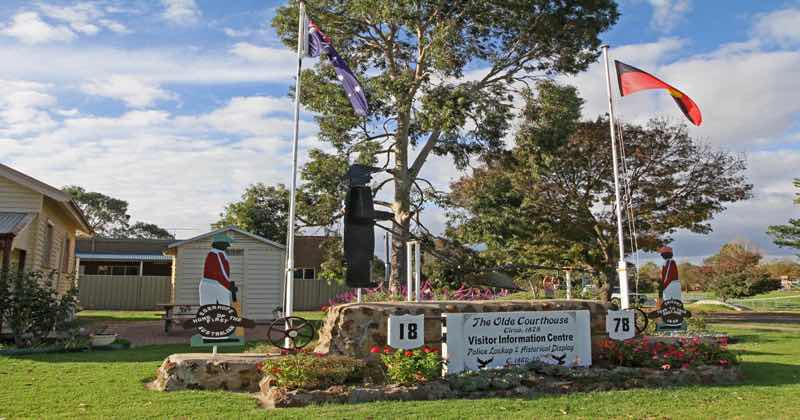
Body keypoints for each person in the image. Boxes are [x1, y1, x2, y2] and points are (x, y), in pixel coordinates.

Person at [199, 232, 234, 307]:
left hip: (220, 285)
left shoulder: (222, 254)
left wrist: (228, 284)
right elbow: (219, 274)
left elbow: (224, 273)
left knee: (224, 310)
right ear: (219, 244)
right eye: (226, 243)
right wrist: (228, 285)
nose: (228, 245)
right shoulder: (213, 255)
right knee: (208, 310)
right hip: (211, 285)